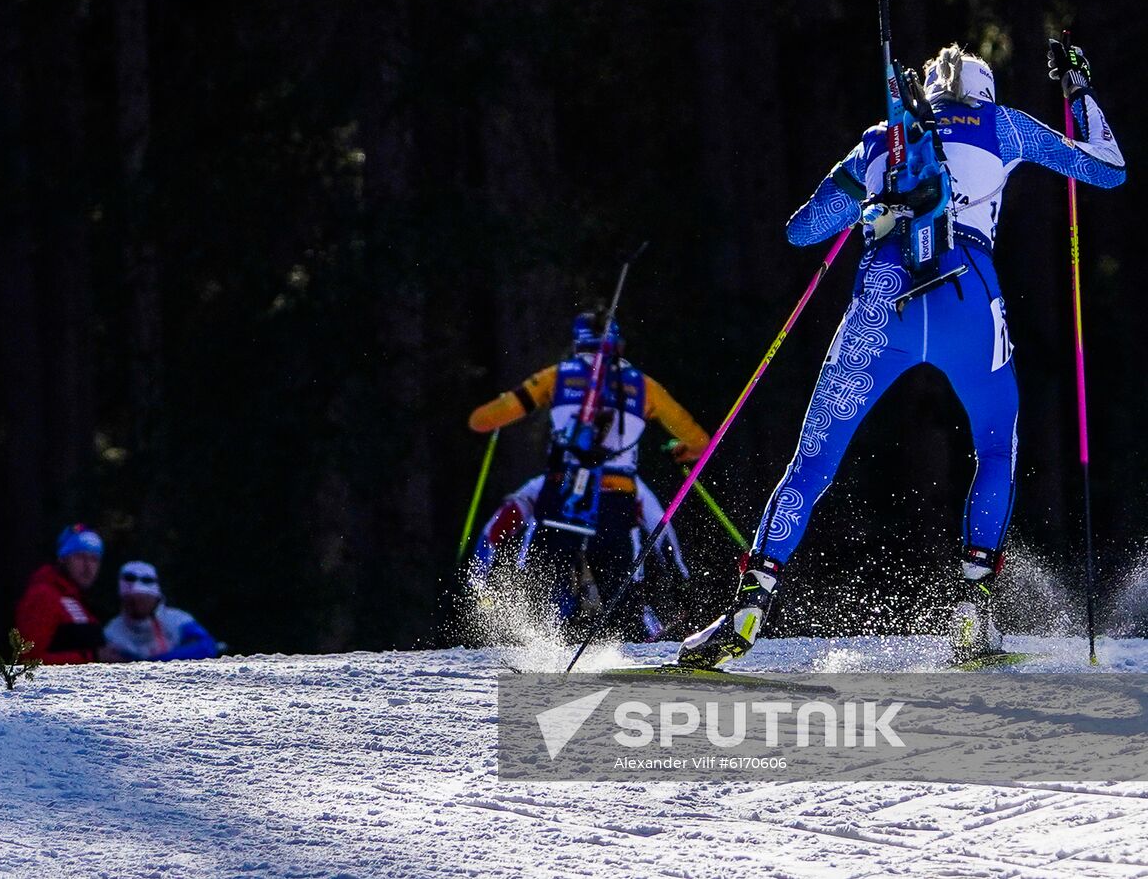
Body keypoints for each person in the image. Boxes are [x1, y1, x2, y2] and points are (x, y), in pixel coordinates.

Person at [676, 40, 1124, 668]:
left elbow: (802, 231)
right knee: (996, 447)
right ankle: (973, 609)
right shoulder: (1005, 126)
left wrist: (859, 195)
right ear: (984, 91)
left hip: (882, 299)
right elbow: (1109, 167)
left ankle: (751, 601)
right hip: (967, 295)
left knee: (813, 460)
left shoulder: (884, 136)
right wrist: (1078, 90)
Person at [469, 311, 710, 634]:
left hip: (562, 492)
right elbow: (701, 443)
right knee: (619, 591)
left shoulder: (557, 376)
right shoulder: (643, 385)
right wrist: (681, 452)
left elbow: (480, 421)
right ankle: (647, 627)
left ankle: (541, 642)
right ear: (618, 346)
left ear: (577, 343)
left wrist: (500, 412)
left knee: (547, 585)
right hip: (617, 497)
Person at [468, 472, 688, 640]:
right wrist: (479, 580)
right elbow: (495, 530)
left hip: (616, 583)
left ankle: (641, 631)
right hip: (558, 586)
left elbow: (661, 530)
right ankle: (537, 637)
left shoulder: (626, 484)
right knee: (553, 583)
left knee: (621, 592)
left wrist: (680, 580)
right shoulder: (547, 483)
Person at [14, 523, 129, 664]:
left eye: (94, 559)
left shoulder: (77, 599)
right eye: (80, 557)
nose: (88, 566)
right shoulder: (44, 596)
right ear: (63, 558)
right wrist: (91, 658)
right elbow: (29, 660)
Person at [103, 561, 225, 661]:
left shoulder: (177, 619)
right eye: (131, 599)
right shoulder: (112, 632)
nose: (137, 603)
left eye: (144, 598)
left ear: (156, 598)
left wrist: (155, 662)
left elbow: (207, 646)